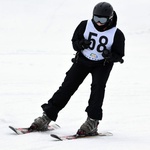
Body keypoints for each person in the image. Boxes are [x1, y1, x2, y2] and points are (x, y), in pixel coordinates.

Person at [29, 2, 125, 136]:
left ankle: (92, 121)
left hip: (102, 65)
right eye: (96, 18)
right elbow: (74, 42)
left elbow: (119, 55)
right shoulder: (84, 25)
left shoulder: (117, 34)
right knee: (67, 87)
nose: (98, 23)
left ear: (109, 18)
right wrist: (80, 44)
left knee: (98, 89)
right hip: (82, 61)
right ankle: (47, 116)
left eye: (102, 20)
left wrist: (111, 56)